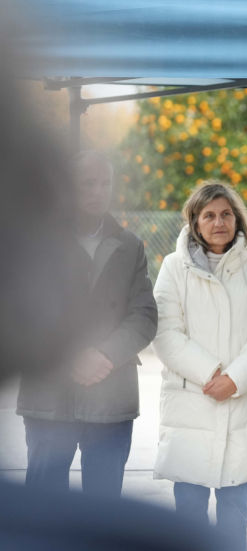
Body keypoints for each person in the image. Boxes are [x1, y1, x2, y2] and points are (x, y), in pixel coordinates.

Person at [16, 150, 158, 497]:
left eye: (105, 183)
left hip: (110, 398)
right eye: (88, 183)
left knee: (104, 509)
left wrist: (104, 355)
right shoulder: (36, 243)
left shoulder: (130, 246)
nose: (98, 191)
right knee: (43, 507)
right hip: (49, 397)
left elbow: (144, 314)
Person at [152, 181, 247, 550]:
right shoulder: (173, 268)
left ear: (237, 219)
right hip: (191, 405)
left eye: (226, 214)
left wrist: (234, 379)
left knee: (234, 517)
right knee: (188, 515)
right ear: (195, 221)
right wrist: (211, 374)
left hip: (241, 406)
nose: (219, 222)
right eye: (209, 215)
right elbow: (165, 331)